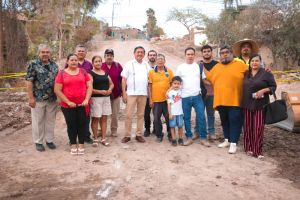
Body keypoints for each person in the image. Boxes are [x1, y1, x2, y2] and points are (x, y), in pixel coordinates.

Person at [205, 45, 248, 154]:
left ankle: (233, 143)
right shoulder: (217, 66)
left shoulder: (240, 65)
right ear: (220, 55)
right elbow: (207, 77)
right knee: (225, 121)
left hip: (235, 100)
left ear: (231, 53)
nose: (224, 54)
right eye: (222, 53)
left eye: (227, 52)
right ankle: (227, 140)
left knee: (234, 120)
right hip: (220, 100)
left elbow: (252, 74)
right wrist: (201, 66)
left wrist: (265, 71)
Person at [54, 53, 92, 155]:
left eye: (75, 60)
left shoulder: (83, 72)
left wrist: (87, 99)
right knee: (71, 125)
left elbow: (89, 86)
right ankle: (73, 144)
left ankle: (81, 144)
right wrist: (68, 101)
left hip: (83, 104)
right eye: (72, 60)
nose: (74, 62)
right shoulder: (61, 73)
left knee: (82, 124)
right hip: (68, 105)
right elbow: (57, 90)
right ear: (67, 61)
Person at [241, 54, 276, 159]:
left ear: (260, 62)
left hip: (260, 105)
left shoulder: (266, 74)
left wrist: (263, 90)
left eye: (256, 61)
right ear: (250, 63)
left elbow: (273, 86)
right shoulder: (246, 73)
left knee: (258, 128)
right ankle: (249, 148)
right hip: (247, 104)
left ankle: (258, 150)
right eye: (252, 61)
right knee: (248, 127)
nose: (254, 63)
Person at [25, 44, 58, 152]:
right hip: (38, 98)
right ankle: (38, 141)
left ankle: (49, 140)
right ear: (39, 53)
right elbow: (29, 81)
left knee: (50, 121)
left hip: (52, 99)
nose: (45, 54)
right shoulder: (33, 64)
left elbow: (58, 82)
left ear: (50, 53)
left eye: (47, 52)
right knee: (38, 121)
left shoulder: (54, 65)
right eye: (43, 52)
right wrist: (30, 98)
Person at [176, 47, 210, 147]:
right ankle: (189, 137)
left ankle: (203, 138)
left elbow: (204, 80)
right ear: (185, 55)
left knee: (201, 117)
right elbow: (176, 82)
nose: (190, 56)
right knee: (186, 118)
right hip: (185, 97)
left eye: (192, 54)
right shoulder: (180, 67)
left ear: (194, 55)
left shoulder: (198, 66)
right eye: (188, 54)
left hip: (197, 96)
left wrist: (215, 85)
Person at [121, 46, 151, 143]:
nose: (140, 54)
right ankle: (127, 135)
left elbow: (150, 80)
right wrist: (124, 93)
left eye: (142, 52)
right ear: (134, 53)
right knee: (129, 115)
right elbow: (124, 80)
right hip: (131, 94)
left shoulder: (146, 65)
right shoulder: (129, 64)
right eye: (138, 52)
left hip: (143, 94)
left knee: (141, 115)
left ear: (144, 54)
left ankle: (138, 134)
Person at [194, 44, 218, 141]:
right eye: (204, 51)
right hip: (200, 93)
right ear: (202, 53)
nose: (206, 53)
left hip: (212, 93)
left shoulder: (217, 64)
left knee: (211, 114)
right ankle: (197, 131)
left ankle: (211, 132)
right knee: (199, 113)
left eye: (208, 51)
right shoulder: (198, 65)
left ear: (211, 52)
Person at [148, 53, 173, 142]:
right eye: (158, 59)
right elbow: (149, 86)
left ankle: (170, 134)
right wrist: (150, 99)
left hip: (167, 100)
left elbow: (172, 84)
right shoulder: (151, 72)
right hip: (156, 100)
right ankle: (159, 135)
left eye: (162, 59)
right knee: (156, 118)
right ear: (156, 61)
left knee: (168, 117)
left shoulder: (169, 71)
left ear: (164, 61)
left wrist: (169, 91)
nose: (160, 60)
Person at [90, 56, 114, 147]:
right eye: (96, 61)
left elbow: (111, 84)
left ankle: (103, 138)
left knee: (104, 118)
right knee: (96, 118)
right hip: (96, 99)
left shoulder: (105, 72)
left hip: (106, 98)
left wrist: (110, 89)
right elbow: (90, 88)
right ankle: (95, 138)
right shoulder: (90, 73)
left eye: (99, 61)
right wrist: (100, 92)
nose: (98, 63)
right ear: (93, 63)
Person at [101, 49, 123, 137]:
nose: (109, 57)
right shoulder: (100, 65)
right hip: (103, 95)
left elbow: (122, 80)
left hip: (116, 94)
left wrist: (122, 91)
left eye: (111, 55)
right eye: (107, 55)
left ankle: (114, 130)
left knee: (115, 114)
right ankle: (100, 130)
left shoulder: (118, 66)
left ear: (113, 57)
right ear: (104, 57)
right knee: (102, 114)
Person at [75, 44, 93, 144]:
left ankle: (86, 136)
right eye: (79, 51)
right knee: (75, 117)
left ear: (86, 53)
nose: (81, 52)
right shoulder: (71, 63)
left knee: (86, 116)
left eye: (83, 51)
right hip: (74, 94)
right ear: (75, 52)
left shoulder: (89, 64)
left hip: (86, 95)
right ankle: (75, 137)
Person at [167, 76, 184, 146]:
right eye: (175, 83)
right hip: (173, 113)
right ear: (172, 84)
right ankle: (174, 139)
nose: (176, 85)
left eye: (178, 83)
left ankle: (180, 138)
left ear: (180, 84)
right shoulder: (170, 93)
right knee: (172, 126)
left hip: (180, 113)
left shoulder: (181, 91)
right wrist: (170, 113)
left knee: (180, 126)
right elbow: (169, 104)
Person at [144, 50, 157, 137]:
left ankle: (156, 129)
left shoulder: (160, 66)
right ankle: (147, 129)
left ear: (156, 56)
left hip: (157, 94)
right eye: (150, 55)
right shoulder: (144, 66)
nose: (152, 56)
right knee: (146, 113)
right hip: (146, 93)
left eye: (154, 55)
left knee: (156, 113)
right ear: (148, 56)